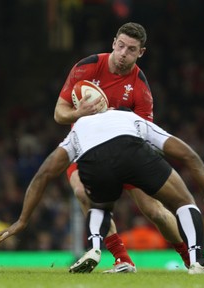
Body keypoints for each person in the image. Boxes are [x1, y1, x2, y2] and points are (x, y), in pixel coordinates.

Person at [0, 109, 204, 274]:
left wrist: (23, 220)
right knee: (182, 201)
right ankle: (197, 261)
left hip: (92, 160)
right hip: (131, 149)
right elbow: (188, 155)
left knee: (99, 204)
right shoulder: (127, 116)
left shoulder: (78, 129)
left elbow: (43, 175)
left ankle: (96, 246)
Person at [53, 22, 189, 272]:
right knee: (83, 193)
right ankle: (122, 259)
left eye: (131, 49)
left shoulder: (141, 88)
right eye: (121, 45)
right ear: (114, 42)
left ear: (141, 53)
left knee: (154, 210)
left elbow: (145, 135)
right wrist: (78, 112)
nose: (123, 53)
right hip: (86, 147)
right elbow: (59, 114)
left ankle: (193, 261)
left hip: (126, 151)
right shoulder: (87, 67)